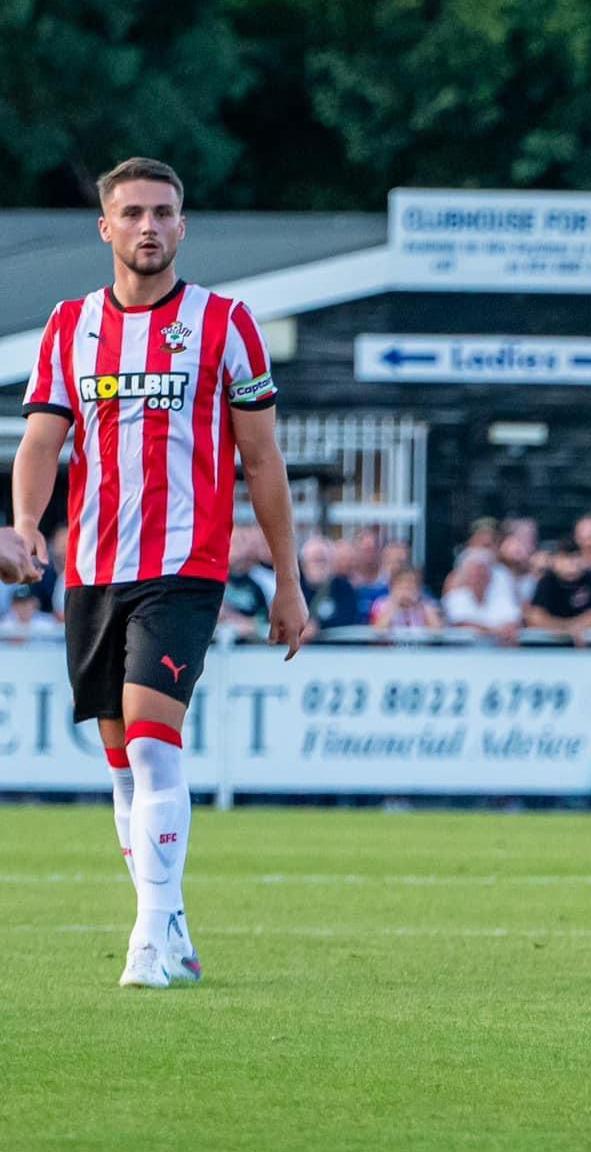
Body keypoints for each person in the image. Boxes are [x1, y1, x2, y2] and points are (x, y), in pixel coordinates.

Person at [9, 157, 307, 989]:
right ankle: (170, 920)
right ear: (105, 227)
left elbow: (262, 459)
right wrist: (28, 529)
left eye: (163, 213)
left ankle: (146, 936)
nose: (149, 226)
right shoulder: (68, 327)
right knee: (118, 762)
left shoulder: (226, 323)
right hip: (92, 570)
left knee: (150, 740)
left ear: (183, 226)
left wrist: (288, 580)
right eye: (132, 213)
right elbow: (41, 442)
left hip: (185, 566)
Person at [442, 547, 523, 642]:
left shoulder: (502, 598)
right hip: (462, 653)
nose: (479, 577)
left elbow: (513, 624)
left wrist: (487, 630)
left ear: (490, 577)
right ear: (465, 577)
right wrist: (495, 631)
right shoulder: (455, 598)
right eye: (474, 573)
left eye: (483, 573)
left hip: (498, 653)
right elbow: (461, 625)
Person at [527, 544, 591, 641]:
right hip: (549, 645)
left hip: (585, 647)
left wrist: (570, 628)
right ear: (554, 561)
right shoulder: (546, 582)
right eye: (565, 557)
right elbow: (535, 617)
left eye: (575, 557)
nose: (570, 562)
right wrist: (567, 630)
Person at [299, 536, 360, 633]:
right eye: (315, 560)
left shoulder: (343, 588)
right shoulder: (294, 589)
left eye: (323, 560)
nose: (319, 566)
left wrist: (317, 626)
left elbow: (348, 619)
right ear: (303, 564)